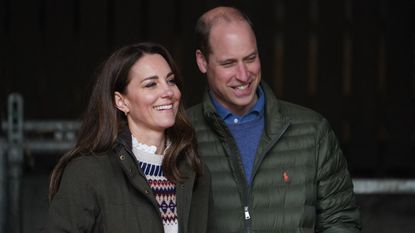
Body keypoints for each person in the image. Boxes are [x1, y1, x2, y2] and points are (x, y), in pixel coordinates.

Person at [187, 6, 361, 233]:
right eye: (229, 63)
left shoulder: (312, 131)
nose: (243, 75)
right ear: (202, 62)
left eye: (250, 58)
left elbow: (342, 221)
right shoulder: (182, 132)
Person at [46, 42, 212, 233]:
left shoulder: (195, 170)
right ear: (122, 101)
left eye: (171, 80)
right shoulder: (87, 172)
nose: (168, 92)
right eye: (151, 84)